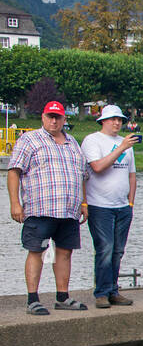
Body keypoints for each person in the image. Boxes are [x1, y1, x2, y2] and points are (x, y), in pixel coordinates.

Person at [6, 101, 89, 315]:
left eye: (58, 117)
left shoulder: (72, 143)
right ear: (43, 117)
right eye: (50, 116)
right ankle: (32, 299)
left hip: (68, 211)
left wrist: (83, 202)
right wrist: (15, 203)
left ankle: (62, 296)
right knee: (37, 251)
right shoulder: (30, 140)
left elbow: (82, 176)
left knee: (64, 252)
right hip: (41, 210)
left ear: (64, 119)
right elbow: (14, 171)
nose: (54, 121)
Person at [81, 104, 139, 308]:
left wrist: (130, 201)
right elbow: (97, 167)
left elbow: (132, 174)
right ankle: (102, 292)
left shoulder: (125, 143)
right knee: (105, 248)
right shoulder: (93, 140)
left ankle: (113, 290)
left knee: (118, 251)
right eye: (113, 119)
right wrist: (122, 148)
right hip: (100, 205)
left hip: (122, 206)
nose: (117, 123)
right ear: (103, 121)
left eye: (120, 119)